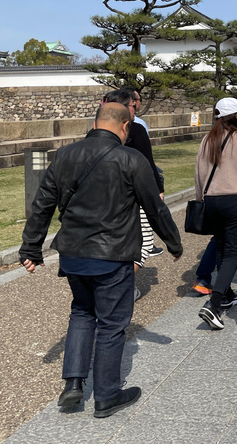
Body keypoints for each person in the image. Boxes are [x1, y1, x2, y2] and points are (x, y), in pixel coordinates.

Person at [19, 103, 182, 418]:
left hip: (73, 255)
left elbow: (42, 204)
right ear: (125, 127)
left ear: (95, 122)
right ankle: (107, 395)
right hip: (112, 254)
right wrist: (173, 243)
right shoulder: (131, 159)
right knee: (111, 323)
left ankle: (73, 385)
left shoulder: (64, 155)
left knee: (82, 312)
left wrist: (31, 249)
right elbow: (154, 207)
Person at [195, 98, 237, 330]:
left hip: (210, 200)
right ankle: (214, 304)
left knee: (222, 247)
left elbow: (199, 173)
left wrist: (199, 200)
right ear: (236, 116)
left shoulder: (208, 139)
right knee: (233, 251)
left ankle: (226, 292)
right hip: (234, 199)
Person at [104, 89, 163, 300]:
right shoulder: (136, 129)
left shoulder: (97, 131)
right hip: (136, 193)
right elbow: (148, 162)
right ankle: (121, 288)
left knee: (116, 242)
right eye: (132, 105)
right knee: (145, 242)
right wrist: (158, 191)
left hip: (107, 197)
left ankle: (114, 285)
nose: (135, 108)